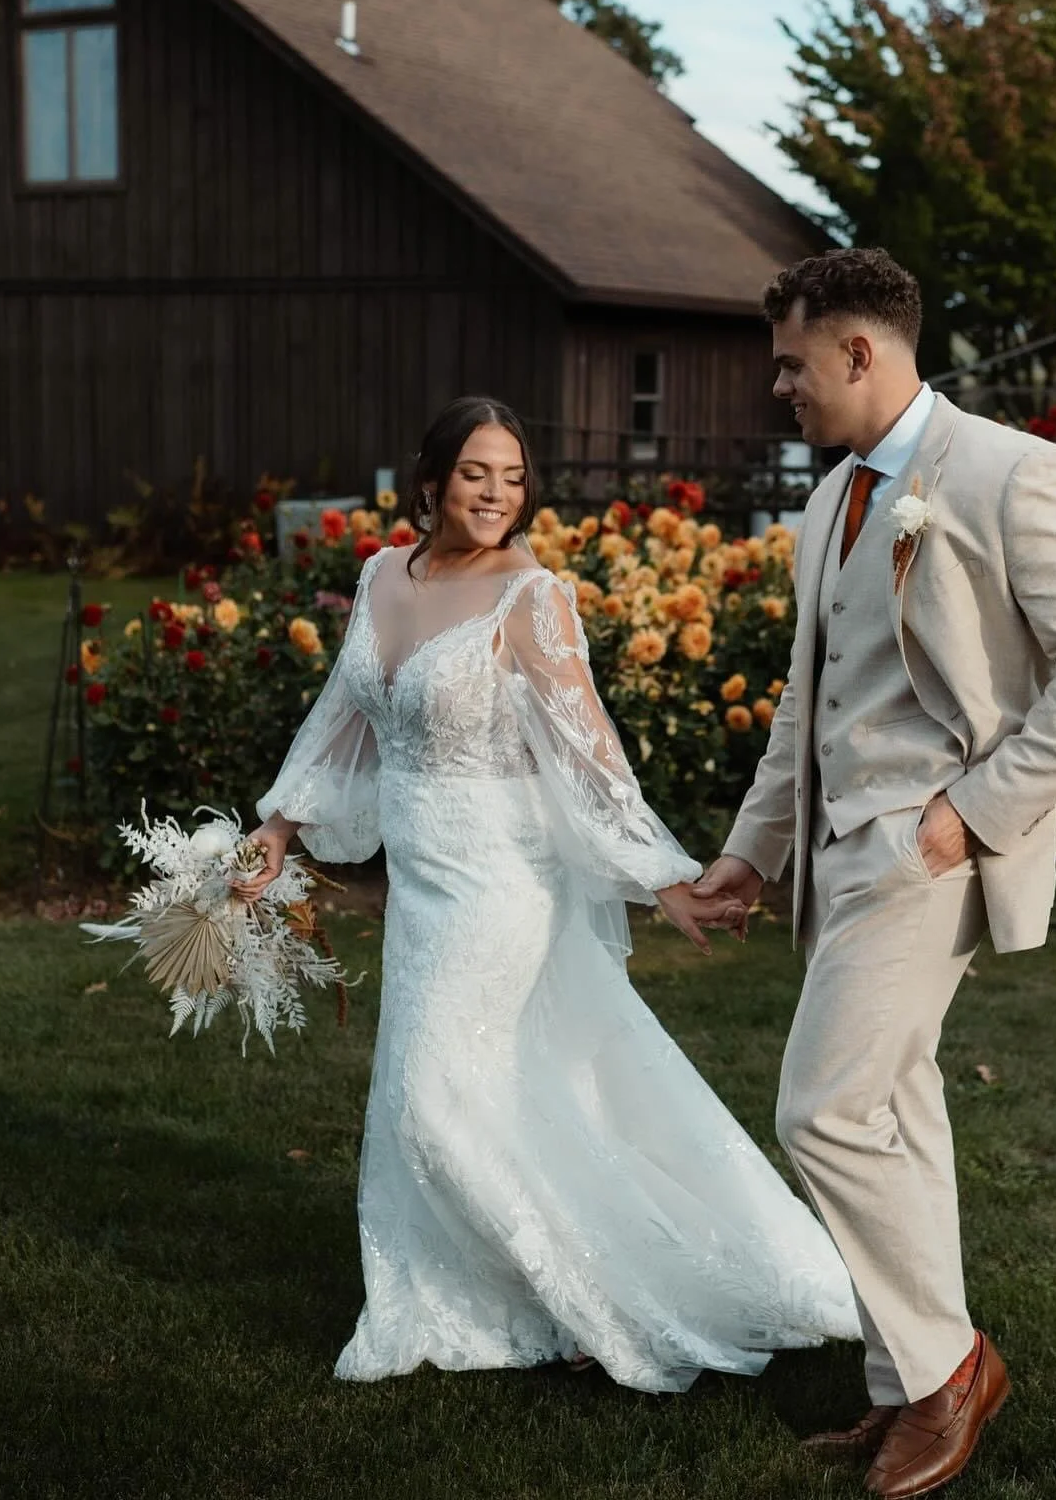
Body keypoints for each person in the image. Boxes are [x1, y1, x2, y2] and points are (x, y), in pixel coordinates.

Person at [236, 395, 859, 1392]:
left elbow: (589, 751)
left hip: (500, 884)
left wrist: (663, 878)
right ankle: (515, 1291)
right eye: (478, 473)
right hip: (422, 885)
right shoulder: (379, 576)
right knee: (493, 1094)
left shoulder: (530, 596)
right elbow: (343, 717)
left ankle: (591, 1293)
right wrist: (277, 828)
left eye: (514, 477)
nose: (497, 494)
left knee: (430, 1100)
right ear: (433, 479)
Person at [694, 248, 1056, 1497]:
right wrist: (753, 854)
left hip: (927, 847)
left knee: (823, 1111)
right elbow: (810, 697)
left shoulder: (1013, 472)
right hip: (837, 857)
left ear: (861, 351)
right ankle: (907, 1382)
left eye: (793, 363)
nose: (779, 389)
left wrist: (974, 810)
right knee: (891, 1110)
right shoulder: (829, 498)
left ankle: (954, 1371)